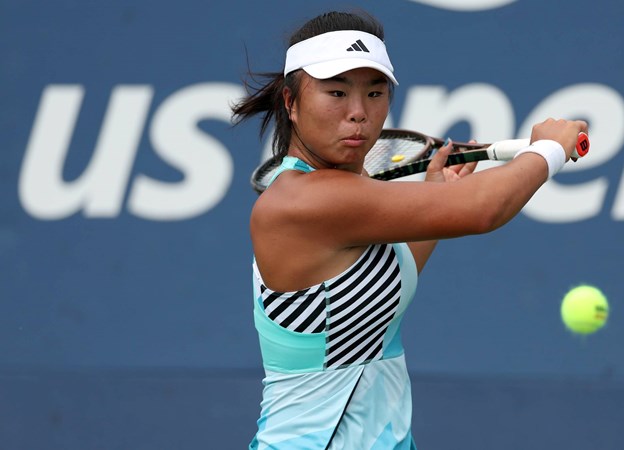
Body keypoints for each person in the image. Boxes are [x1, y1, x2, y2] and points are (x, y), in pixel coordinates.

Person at [232, 10, 588, 450]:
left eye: (375, 92)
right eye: (336, 92)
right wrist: (549, 149)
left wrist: (438, 194)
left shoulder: (342, 203)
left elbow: (381, 289)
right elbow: (482, 211)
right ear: (291, 102)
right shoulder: (301, 199)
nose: (358, 113)